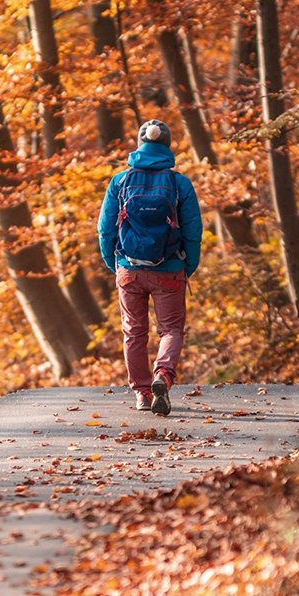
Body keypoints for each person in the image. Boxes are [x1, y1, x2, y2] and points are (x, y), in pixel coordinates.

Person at [97, 120, 202, 416]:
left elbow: (105, 230)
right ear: (167, 146)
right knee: (170, 329)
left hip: (128, 268)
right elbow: (193, 230)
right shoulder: (180, 184)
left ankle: (143, 393)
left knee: (134, 332)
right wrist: (187, 265)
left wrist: (115, 264)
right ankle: (163, 376)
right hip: (170, 268)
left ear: (139, 145)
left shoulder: (120, 181)